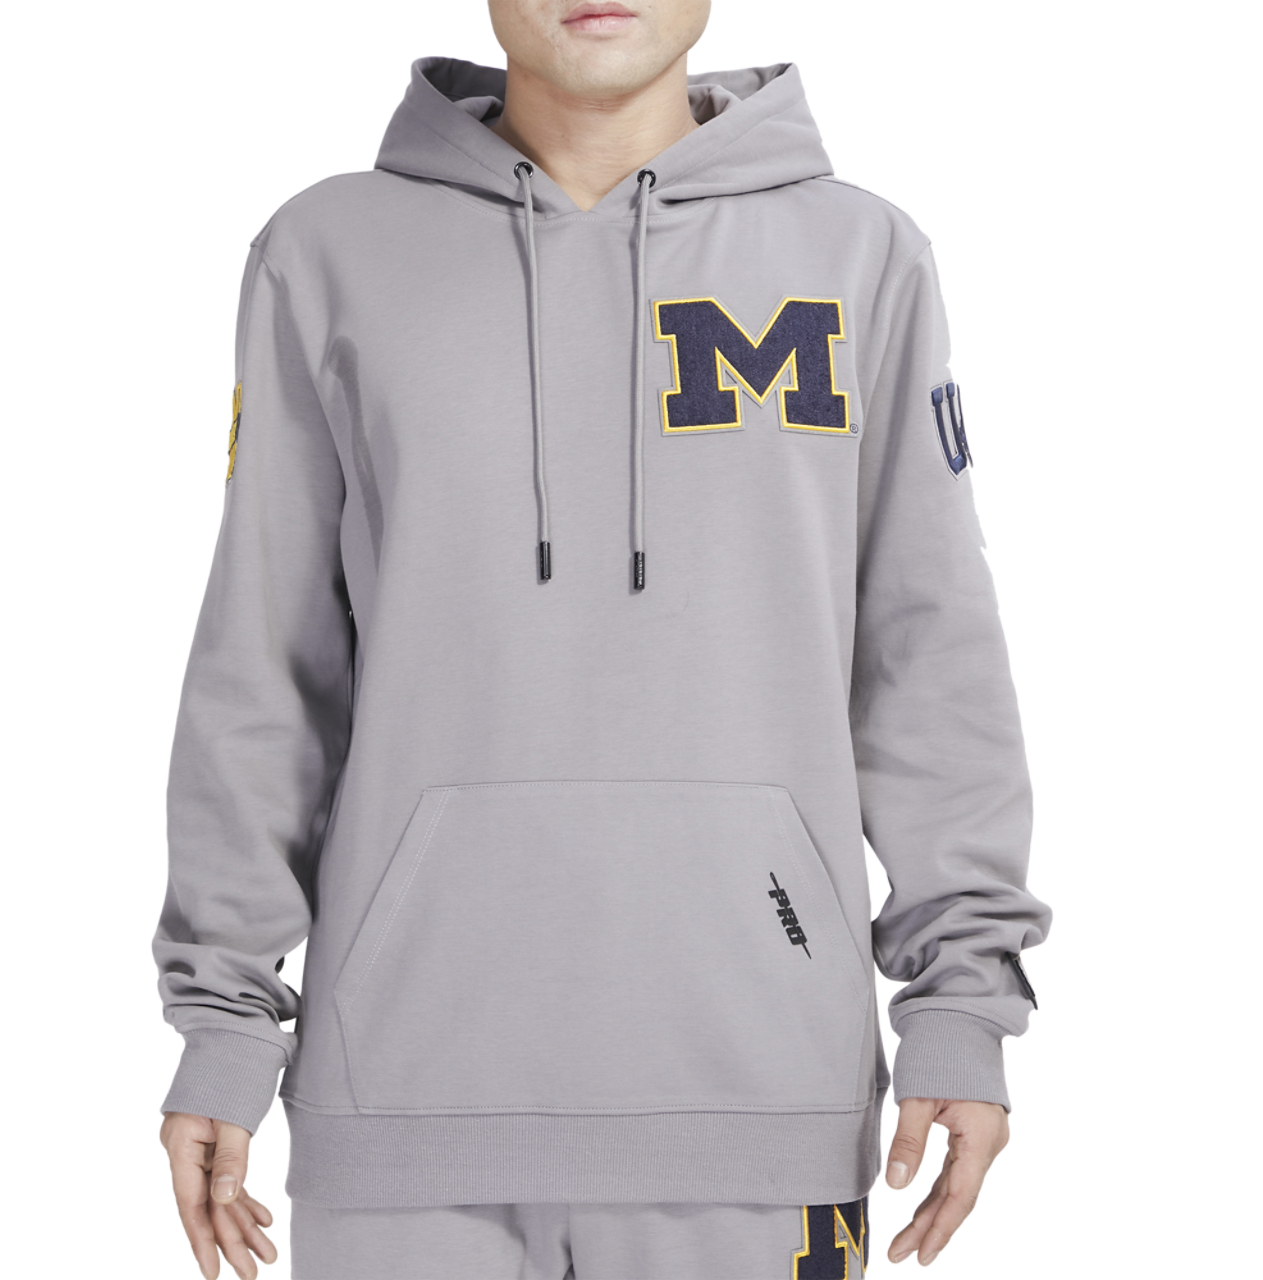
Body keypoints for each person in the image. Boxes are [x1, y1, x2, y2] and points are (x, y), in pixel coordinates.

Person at [153, 2, 1052, 1277]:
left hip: (757, 1098)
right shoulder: (324, 252)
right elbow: (264, 663)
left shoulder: (861, 256)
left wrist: (961, 999)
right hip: (402, 1098)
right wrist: (224, 1021)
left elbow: (928, 654)